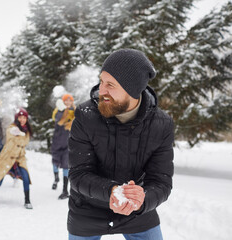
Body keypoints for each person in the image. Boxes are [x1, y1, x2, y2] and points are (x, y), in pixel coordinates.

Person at [67, 49, 174, 239]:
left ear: (132, 89)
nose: (102, 90)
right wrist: (112, 192)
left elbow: (161, 181)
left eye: (110, 84)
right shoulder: (85, 116)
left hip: (136, 208)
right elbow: (78, 174)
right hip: (88, 208)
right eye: (101, 81)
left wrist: (142, 200)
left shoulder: (161, 125)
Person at [51, 94, 75, 199]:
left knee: (66, 165)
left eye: (70, 101)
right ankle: (56, 178)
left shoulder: (75, 112)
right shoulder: (58, 111)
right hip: (57, 141)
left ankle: (65, 190)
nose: (68, 102)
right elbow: (58, 121)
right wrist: (62, 110)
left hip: (68, 142)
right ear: (63, 102)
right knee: (55, 162)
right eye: (66, 101)